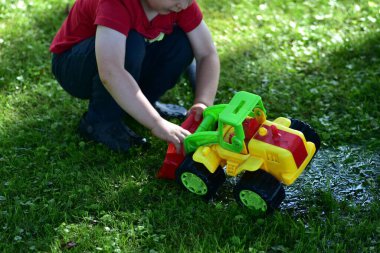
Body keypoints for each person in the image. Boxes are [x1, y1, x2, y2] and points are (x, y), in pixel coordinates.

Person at [50, 0, 220, 153]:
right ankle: (101, 122)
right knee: (132, 42)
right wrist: (156, 124)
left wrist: (203, 102)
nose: (184, 5)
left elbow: (206, 53)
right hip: (74, 67)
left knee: (183, 42)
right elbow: (111, 71)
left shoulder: (178, 4)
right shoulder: (116, 4)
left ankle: (144, 104)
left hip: (119, 61)